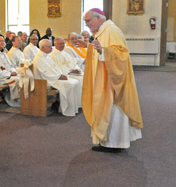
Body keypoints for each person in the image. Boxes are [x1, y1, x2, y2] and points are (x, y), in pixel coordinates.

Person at [79, 8, 143, 152]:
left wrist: (104, 51)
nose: (87, 24)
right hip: (104, 79)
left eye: (88, 21)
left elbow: (121, 54)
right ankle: (105, 142)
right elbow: (98, 51)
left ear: (99, 18)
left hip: (112, 82)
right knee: (103, 109)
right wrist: (89, 46)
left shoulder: (112, 31)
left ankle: (115, 144)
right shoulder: (102, 32)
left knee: (113, 110)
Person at [33, 39, 81, 117]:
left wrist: (61, 74)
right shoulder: (39, 58)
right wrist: (59, 76)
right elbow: (45, 73)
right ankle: (66, 109)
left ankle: (72, 108)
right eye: (49, 46)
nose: (51, 48)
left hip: (54, 77)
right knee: (70, 84)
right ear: (42, 47)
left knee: (75, 82)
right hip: (47, 80)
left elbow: (56, 68)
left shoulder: (47, 56)